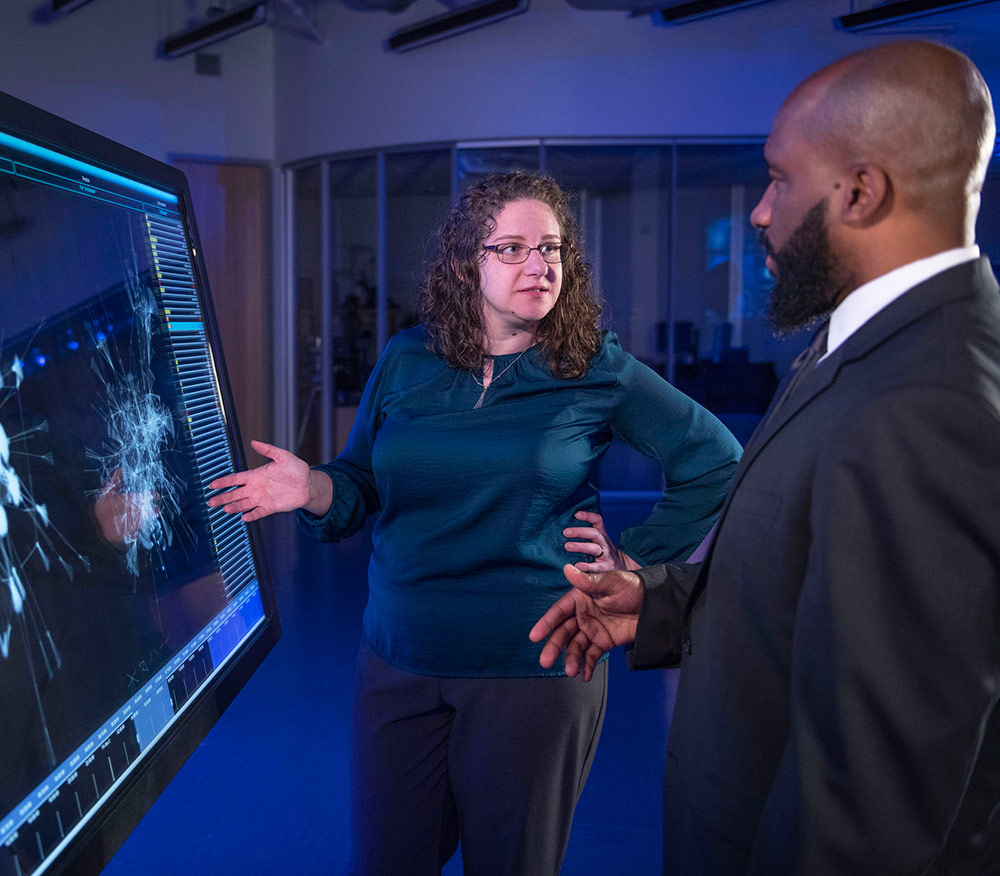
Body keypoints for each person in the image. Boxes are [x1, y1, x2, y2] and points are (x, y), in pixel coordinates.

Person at [531, 40, 1000, 876]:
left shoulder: (930, 407)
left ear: (859, 193)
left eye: (779, 179)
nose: (757, 211)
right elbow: (807, 581)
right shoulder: (859, 345)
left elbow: (873, 798)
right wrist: (663, 604)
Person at [208, 171, 741, 876]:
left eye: (550, 248)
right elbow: (360, 484)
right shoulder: (405, 360)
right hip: (398, 658)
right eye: (513, 248)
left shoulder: (592, 367)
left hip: (536, 664)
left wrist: (637, 561)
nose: (539, 265)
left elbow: (715, 460)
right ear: (468, 262)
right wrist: (310, 486)